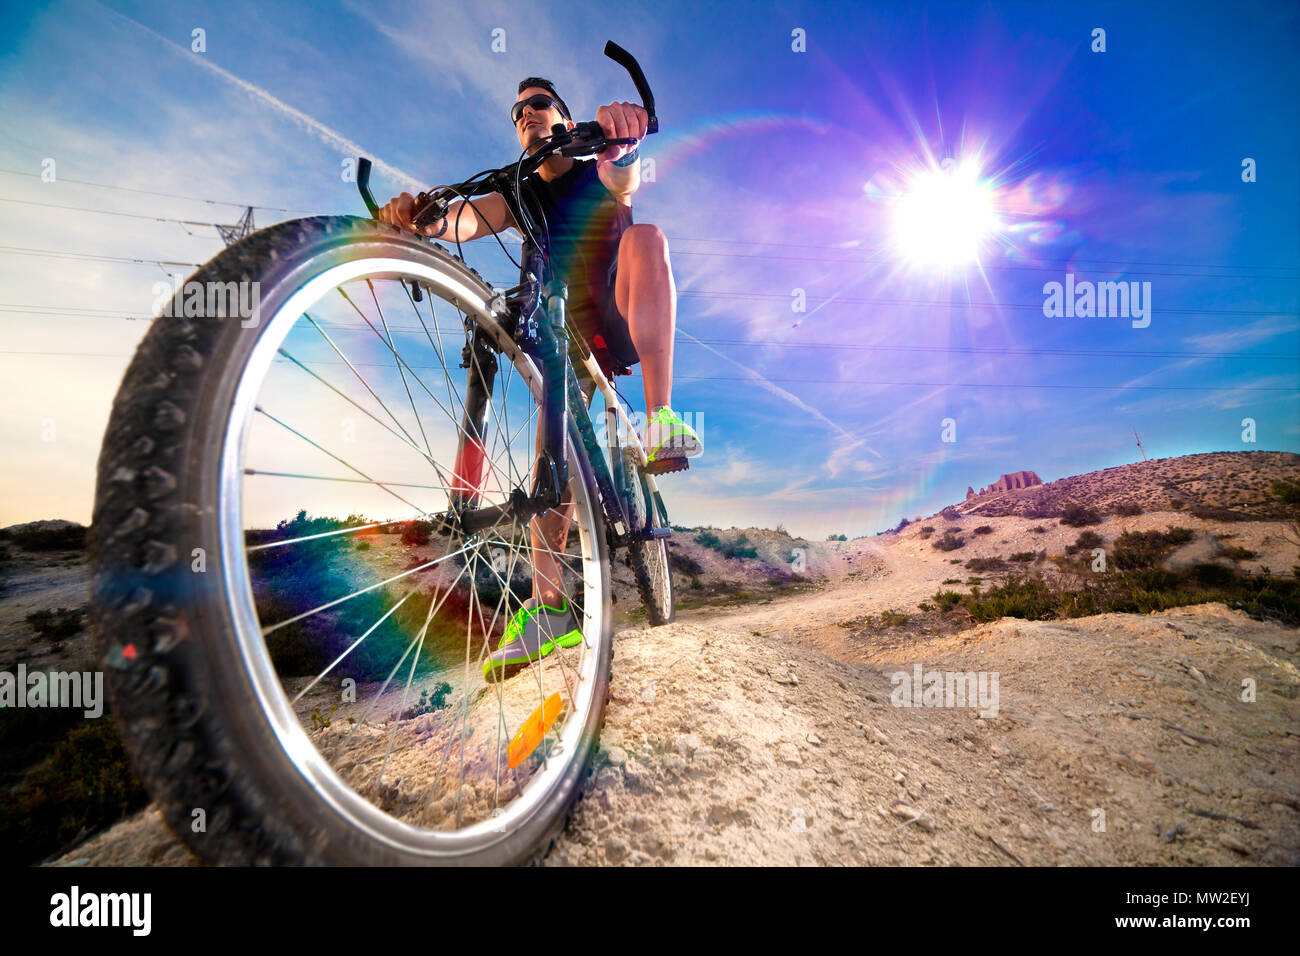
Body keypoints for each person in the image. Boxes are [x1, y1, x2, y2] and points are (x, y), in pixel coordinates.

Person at [378, 77, 701, 680]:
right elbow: (467, 223)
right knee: (550, 465)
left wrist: (620, 142)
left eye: (539, 104)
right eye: (517, 110)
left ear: (563, 115)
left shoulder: (589, 159)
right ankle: (550, 608)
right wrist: (424, 220)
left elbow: (622, 178)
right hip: (559, 326)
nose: (527, 114)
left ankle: (660, 420)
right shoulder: (515, 187)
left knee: (646, 238)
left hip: (620, 308)